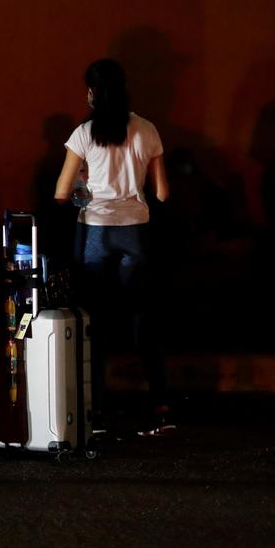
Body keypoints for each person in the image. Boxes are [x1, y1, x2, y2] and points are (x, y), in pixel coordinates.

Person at [53, 58, 171, 436]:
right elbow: (162, 192)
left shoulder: (84, 134)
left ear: (93, 92)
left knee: (95, 322)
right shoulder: (147, 130)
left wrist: (84, 183)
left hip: (96, 233)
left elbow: (61, 193)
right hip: (136, 232)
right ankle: (160, 405)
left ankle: (96, 411)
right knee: (142, 319)